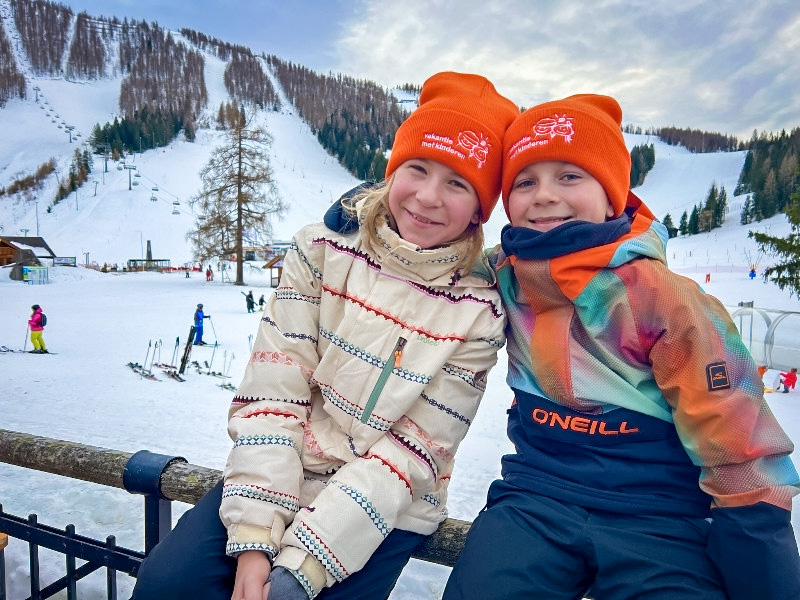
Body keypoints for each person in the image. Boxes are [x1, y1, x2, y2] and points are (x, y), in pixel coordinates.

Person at [131, 71, 519, 600]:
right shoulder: (321, 251)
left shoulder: (478, 309)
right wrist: (253, 541)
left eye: (458, 183)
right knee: (169, 585)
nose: (428, 197)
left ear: (481, 207)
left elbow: (415, 449)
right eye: (418, 169)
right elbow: (275, 391)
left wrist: (301, 569)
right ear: (392, 171)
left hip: (385, 501)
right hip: (282, 467)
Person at [443, 94, 800, 600]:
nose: (544, 196)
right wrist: (362, 222)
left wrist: (764, 576)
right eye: (525, 181)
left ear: (612, 194)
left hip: (657, 515)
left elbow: (739, 442)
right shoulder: (502, 276)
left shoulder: (664, 300)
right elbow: (425, 266)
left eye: (570, 176)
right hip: (537, 498)